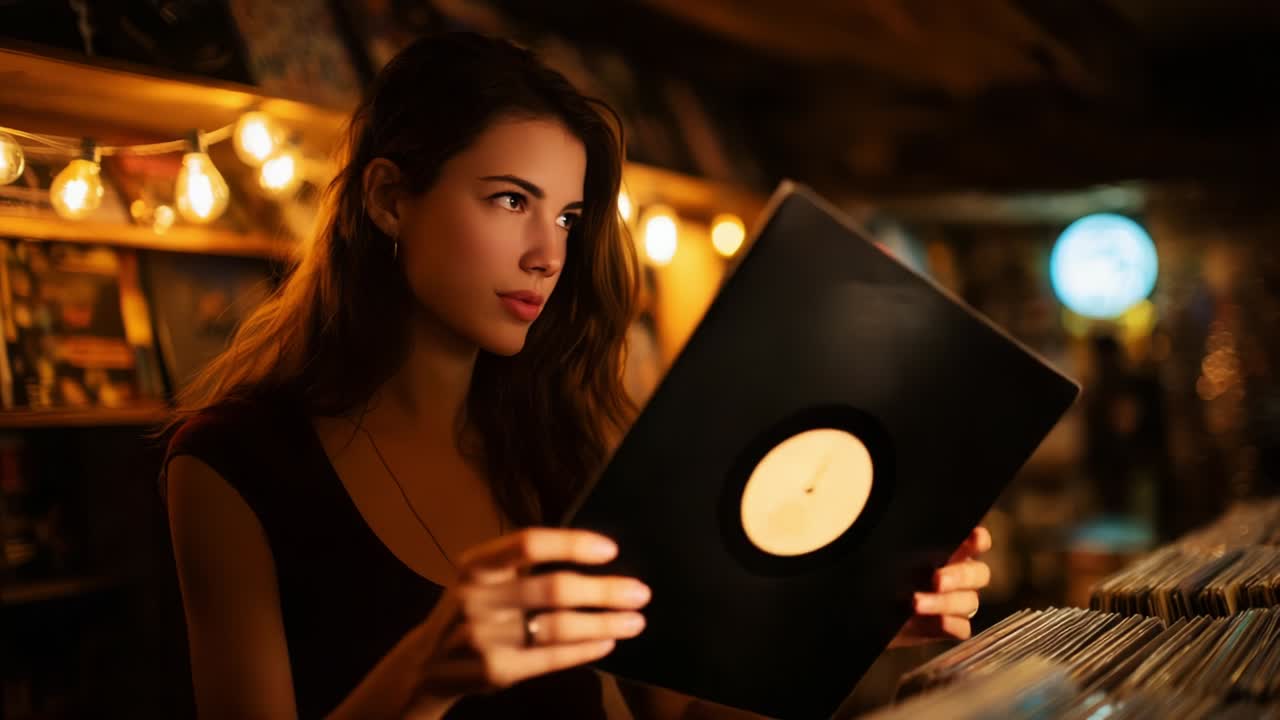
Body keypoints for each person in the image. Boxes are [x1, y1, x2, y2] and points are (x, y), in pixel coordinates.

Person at [162, 32, 992, 720]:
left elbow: (690, 718)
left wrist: (847, 619)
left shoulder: (565, 440)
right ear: (386, 198)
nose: (548, 254)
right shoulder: (237, 464)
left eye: (565, 215)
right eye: (509, 201)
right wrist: (425, 674)